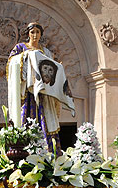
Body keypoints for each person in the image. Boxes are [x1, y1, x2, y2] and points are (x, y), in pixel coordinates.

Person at [7, 22, 75, 153]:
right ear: (28, 34)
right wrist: (27, 56)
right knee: (26, 118)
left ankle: (47, 151)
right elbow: (11, 63)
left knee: (45, 118)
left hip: (43, 94)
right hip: (27, 92)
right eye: (32, 32)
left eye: (38, 32)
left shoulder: (46, 52)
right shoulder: (20, 48)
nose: (35, 35)